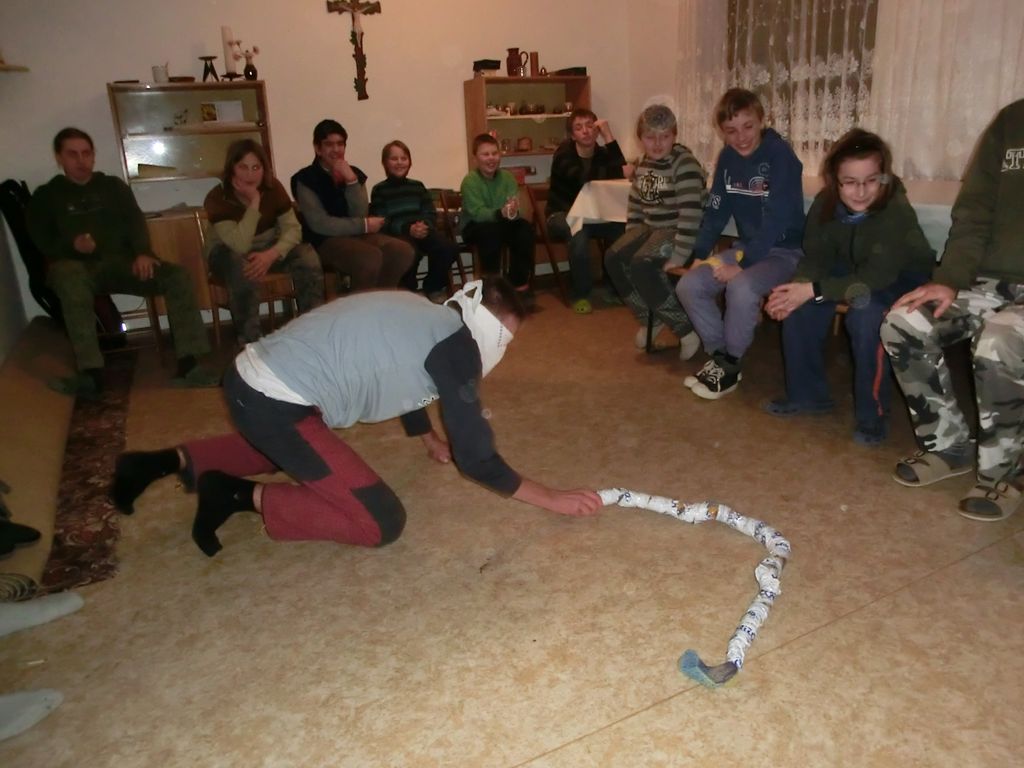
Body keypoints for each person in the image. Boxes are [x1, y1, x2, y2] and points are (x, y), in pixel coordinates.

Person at [110, 278, 602, 556]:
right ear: (491, 331)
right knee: (381, 521)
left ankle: (158, 462)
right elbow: (476, 457)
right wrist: (551, 498)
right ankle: (235, 494)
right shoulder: (459, 350)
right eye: (508, 338)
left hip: (250, 382)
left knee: (287, 446)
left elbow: (404, 373)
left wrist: (427, 436)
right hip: (275, 403)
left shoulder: (426, 314)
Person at [880, 99, 1024, 522]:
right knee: (903, 322)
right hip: (987, 280)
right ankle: (948, 446)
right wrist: (950, 277)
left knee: (999, 340)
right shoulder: (1012, 121)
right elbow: (975, 212)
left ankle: (1005, 473)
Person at [763, 129, 934, 445]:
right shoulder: (826, 203)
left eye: (871, 180)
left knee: (866, 316)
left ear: (884, 177)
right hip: (852, 268)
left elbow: (876, 277)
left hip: (899, 276)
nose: (861, 191)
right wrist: (797, 289)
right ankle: (807, 396)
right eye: (850, 182)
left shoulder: (894, 209)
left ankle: (874, 415)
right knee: (799, 305)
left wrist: (814, 289)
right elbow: (817, 257)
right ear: (834, 180)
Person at [27, 127, 217, 396]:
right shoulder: (46, 196)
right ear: (59, 158)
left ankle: (190, 365)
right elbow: (41, 240)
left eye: (86, 153)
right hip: (77, 268)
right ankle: (90, 373)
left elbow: (136, 223)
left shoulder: (113, 187)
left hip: (123, 264)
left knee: (177, 276)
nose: (81, 160)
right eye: (72, 154)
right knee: (70, 278)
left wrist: (143, 252)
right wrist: (72, 246)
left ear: (93, 155)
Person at [676, 89, 806, 399]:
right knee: (689, 285)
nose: (741, 137)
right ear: (721, 131)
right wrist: (698, 254)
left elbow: (776, 219)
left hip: (785, 252)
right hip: (748, 248)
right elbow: (716, 211)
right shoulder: (727, 158)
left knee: (741, 286)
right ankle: (721, 356)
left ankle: (731, 362)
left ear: (761, 120)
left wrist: (743, 266)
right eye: (731, 130)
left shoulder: (780, 155)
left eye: (748, 126)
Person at [602, 105, 704, 356]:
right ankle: (651, 317)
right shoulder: (643, 163)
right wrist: (630, 237)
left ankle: (684, 329)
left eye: (665, 136)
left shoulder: (684, 163)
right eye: (650, 137)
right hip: (651, 228)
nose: (657, 144)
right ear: (641, 138)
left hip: (678, 230)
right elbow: (636, 205)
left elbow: (691, 214)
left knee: (642, 263)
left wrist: (680, 255)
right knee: (613, 257)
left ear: (674, 135)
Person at [204, 139, 324, 344]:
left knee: (306, 255)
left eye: (256, 167)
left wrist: (271, 255)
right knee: (241, 267)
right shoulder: (217, 197)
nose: (250, 175)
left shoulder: (273, 188)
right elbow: (240, 244)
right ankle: (250, 341)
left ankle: (312, 331)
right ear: (231, 168)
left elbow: (293, 229)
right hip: (226, 252)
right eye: (243, 167)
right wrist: (255, 202)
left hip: (266, 249)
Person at [291, 119, 414, 292]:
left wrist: (351, 181)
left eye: (340, 144)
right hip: (323, 240)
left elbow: (360, 213)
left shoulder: (354, 173)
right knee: (369, 257)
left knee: (402, 250)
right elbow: (319, 223)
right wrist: (363, 225)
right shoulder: (305, 178)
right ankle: (358, 306)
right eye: (329, 144)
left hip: (357, 236)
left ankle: (382, 299)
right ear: (318, 149)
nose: (336, 149)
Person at [545, 108, 628, 314]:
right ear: (572, 135)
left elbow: (621, 173)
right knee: (579, 233)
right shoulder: (564, 154)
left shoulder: (601, 153)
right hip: (561, 214)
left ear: (596, 130)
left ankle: (613, 287)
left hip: (594, 215)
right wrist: (618, 170)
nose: (586, 131)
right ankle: (580, 294)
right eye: (579, 127)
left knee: (621, 229)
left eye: (590, 126)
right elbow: (583, 178)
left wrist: (609, 136)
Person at [369, 140, 458, 303]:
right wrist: (407, 229)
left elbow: (429, 211)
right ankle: (409, 292)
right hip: (399, 234)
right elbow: (382, 220)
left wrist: (424, 225)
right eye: (394, 159)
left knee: (447, 247)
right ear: (385, 163)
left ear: (410, 162)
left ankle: (433, 287)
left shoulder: (418, 186)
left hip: (422, 230)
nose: (399, 162)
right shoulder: (379, 190)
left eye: (404, 158)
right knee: (409, 252)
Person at [459, 134, 536, 307]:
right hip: (474, 226)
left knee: (525, 229)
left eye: (494, 153)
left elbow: (513, 208)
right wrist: (500, 213)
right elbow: (477, 213)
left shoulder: (507, 177)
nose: (491, 158)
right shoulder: (470, 181)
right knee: (490, 233)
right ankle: (491, 287)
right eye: (485, 154)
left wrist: (513, 211)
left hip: (501, 222)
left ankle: (518, 284)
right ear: (475, 158)